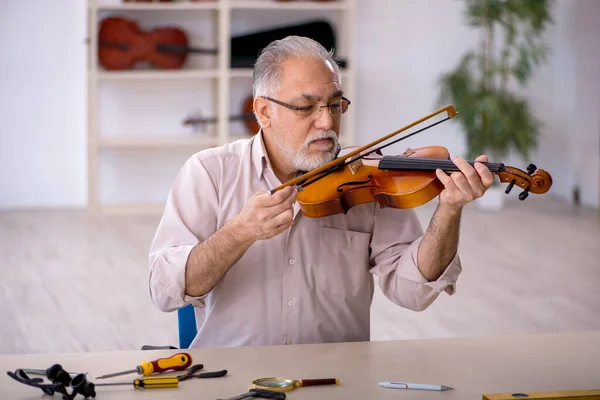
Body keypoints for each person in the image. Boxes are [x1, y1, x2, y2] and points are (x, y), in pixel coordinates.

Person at [148, 36, 494, 348]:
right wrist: (239, 233)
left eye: (334, 104)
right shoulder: (210, 172)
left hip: (336, 379)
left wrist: (448, 211)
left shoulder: (369, 179)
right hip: (234, 377)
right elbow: (165, 290)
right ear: (264, 111)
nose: (326, 122)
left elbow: (414, 291)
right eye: (306, 107)